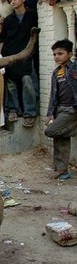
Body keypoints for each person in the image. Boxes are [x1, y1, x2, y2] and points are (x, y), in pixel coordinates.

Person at [0, 0, 38, 127]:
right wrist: (2, 57)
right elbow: (3, 39)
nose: (13, 2)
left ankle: (30, 113)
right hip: (11, 56)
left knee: (27, 81)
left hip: (27, 55)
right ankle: (13, 111)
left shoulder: (32, 15)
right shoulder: (9, 19)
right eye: (11, 0)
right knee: (11, 85)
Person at [44, 39, 77, 181]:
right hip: (60, 109)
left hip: (72, 109)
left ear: (70, 54)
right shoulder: (56, 72)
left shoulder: (75, 69)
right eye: (54, 54)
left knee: (51, 131)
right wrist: (50, 113)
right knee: (60, 137)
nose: (56, 57)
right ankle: (62, 170)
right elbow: (53, 95)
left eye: (60, 53)